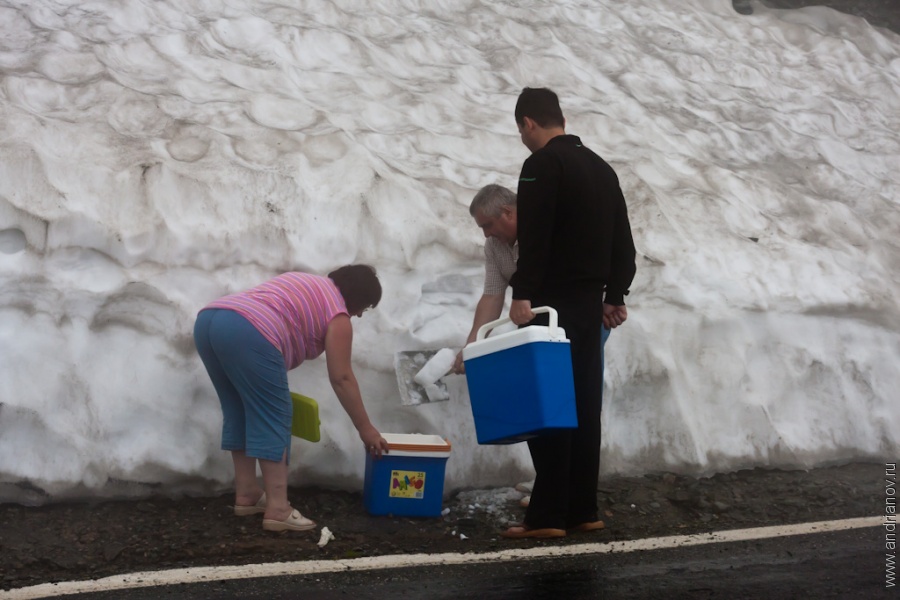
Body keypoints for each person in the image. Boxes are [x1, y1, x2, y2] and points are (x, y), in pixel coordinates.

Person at [501, 87, 636, 539]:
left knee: (550, 404)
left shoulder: (541, 165)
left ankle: (546, 517)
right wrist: (615, 293)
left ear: (528, 124)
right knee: (583, 405)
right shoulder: (602, 168)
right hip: (587, 304)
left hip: (550, 303)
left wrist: (522, 292)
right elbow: (624, 242)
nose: (522, 137)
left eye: (521, 129)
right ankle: (582, 508)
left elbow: (535, 237)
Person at [193, 265, 390, 533]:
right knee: (274, 414)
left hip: (210, 320)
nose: (357, 315)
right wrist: (366, 428)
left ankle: (248, 493)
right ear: (357, 299)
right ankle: (278, 508)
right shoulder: (338, 313)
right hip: (250, 329)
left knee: (238, 408)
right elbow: (341, 377)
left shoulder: (306, 282)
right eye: (363, 309)